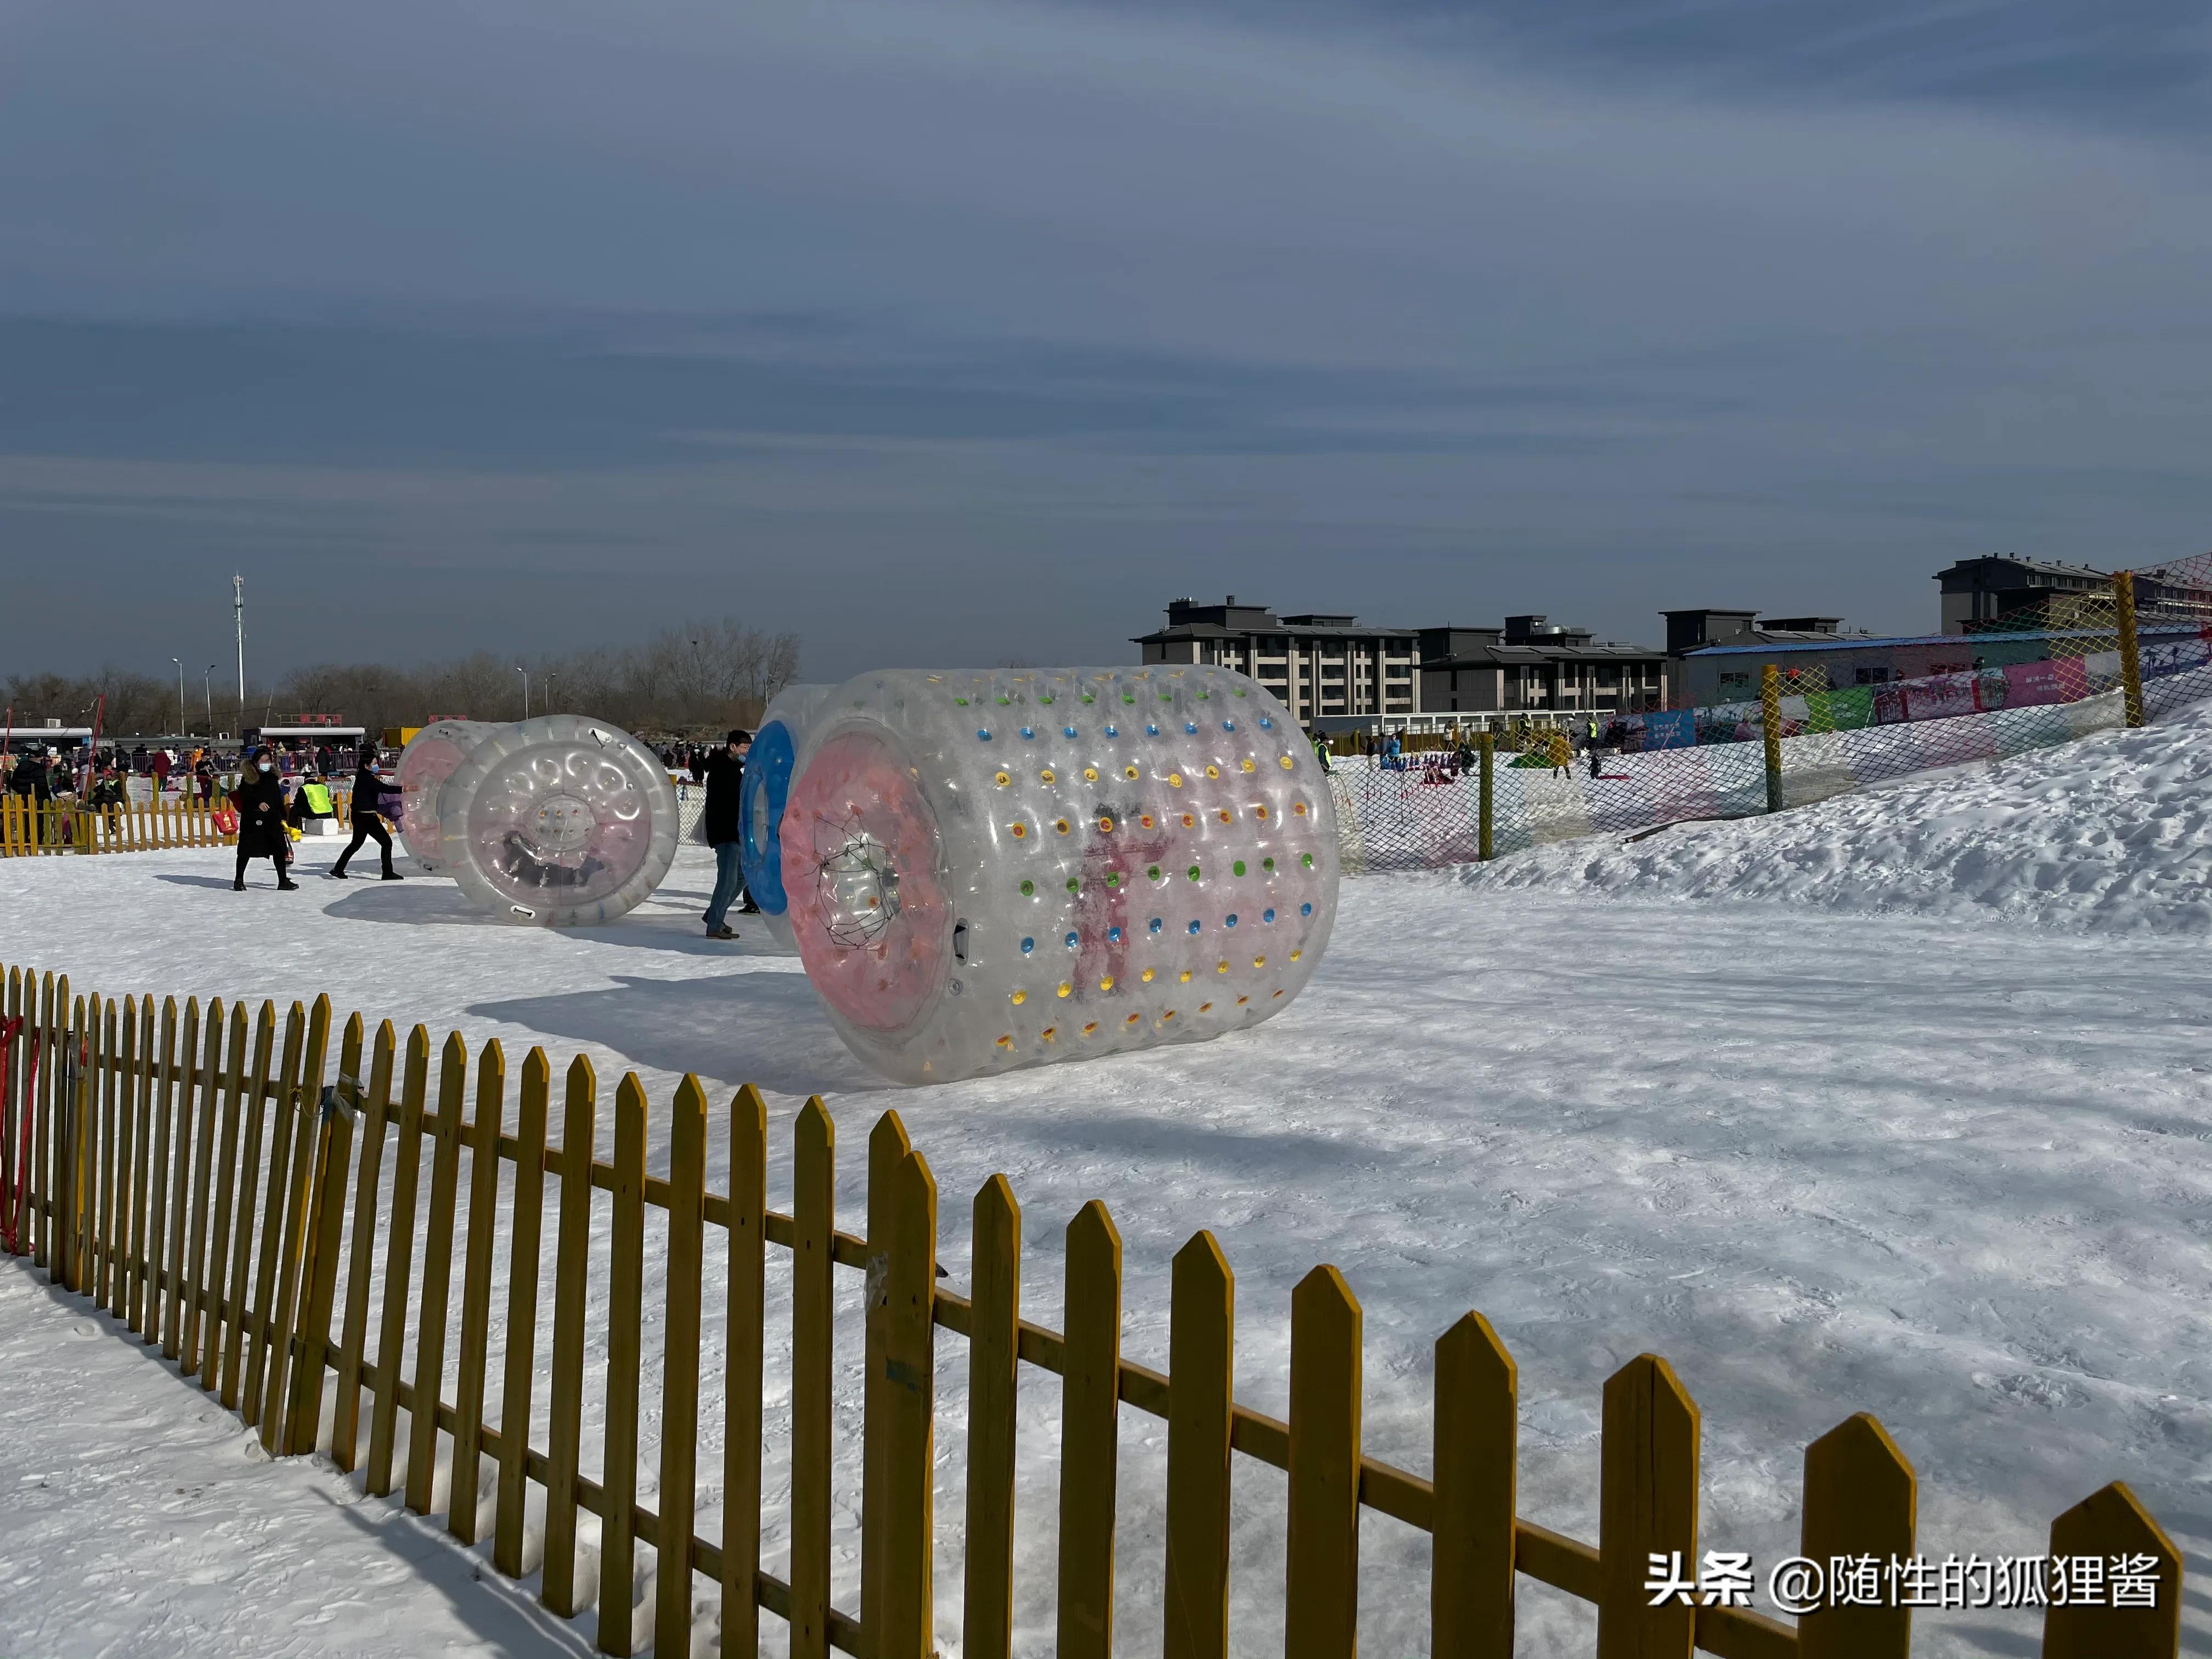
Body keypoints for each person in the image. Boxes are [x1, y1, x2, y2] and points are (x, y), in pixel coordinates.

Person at [699, 729, 751, 939]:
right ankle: (715, 925)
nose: (747, 752)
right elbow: (729, 804)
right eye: (745, 748)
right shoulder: (723, 770)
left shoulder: (732, 769)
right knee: (728, 880)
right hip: (726, 833)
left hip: (734, 833)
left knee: (741, 877)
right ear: (733, 747)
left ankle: (714, 914)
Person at [331, 746, 403, 880]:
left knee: (356, 844)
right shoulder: (367, 779)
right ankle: (387, 873)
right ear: (367, 766)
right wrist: (405, 789)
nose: (377, 766)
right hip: (367, 817)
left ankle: (338, 869)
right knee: (387, 842)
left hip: (359, 816)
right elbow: (385, 788)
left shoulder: (362, 777)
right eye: (375, 764)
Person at [231, 747, 297, 890]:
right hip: (253, 820)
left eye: (268, 760)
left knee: (279, 850)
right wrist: (258, 804)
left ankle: (283, 881)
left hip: (272, 820)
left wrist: (282, 816)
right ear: (255, 762)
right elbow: (245, 797)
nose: (266, 763)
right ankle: (239, 880)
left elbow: (277, 798)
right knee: (245, 851)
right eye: (263, 760)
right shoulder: (249, 778)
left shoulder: (272, 777)